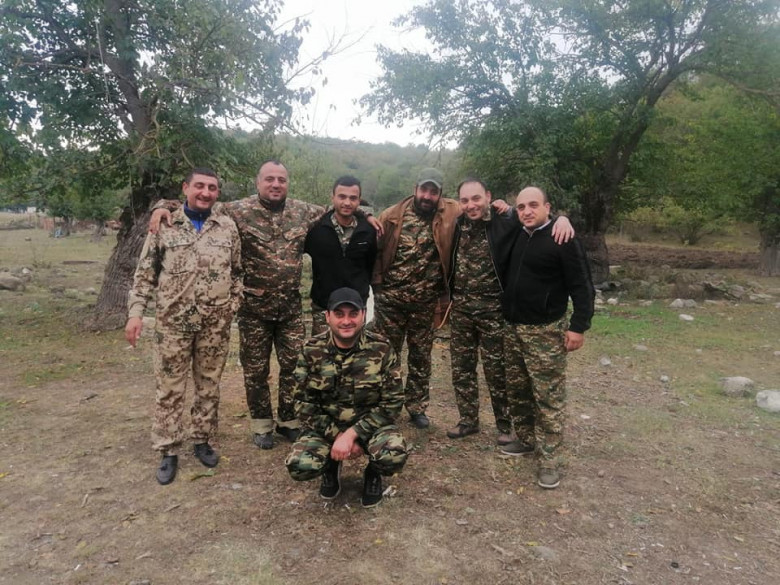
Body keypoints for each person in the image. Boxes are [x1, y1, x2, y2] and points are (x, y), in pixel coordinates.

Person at [150, 161, 379, 450]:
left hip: (290, 308)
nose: (276, 184)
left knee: (295, 366)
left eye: (281, 180)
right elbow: (200, 203)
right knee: (255, 370)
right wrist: (161, 207)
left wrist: (367, 214)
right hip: (254, 309)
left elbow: (341, 207)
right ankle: (261, 424)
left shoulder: (303, 211)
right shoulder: (237, 210)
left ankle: (288, 420)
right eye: (269, 179)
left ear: (287, 183)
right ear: (258, 183)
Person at [125, 168, 242, 485]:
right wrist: (135, 314)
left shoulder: (226, 227)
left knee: (208, 386)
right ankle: (169, 449)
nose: (205, 192)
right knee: (170, 389)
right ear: (185, 188)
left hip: (214, 325)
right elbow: (144, 276)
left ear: (218, 193)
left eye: (212, 188)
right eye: (199, 186)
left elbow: (238, 273)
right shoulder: (164, 224)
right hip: (173, 325)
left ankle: (202, 439)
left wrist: (231, 306)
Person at [447, 179, 574, 445]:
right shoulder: (457, 225)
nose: (471, 205)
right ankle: (467, 420)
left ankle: (505, 425)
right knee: (461, 369)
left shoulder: (506, 221)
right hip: (460, 309)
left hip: (493, 310)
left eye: (476, 198)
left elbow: (537, 218)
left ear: (488, 196)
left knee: (498, 371)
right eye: (465, 200)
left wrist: (562, 219)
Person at [499, 186, 594, 490]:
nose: (527, 211)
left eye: (533, 205)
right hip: (513, 329)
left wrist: (578, 326)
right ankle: (526, 440)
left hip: (546, 331)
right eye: (521, 207)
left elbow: (582, 285)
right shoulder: (518, 233)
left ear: (547, 207)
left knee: (548, 397)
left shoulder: (562, 237)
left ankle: (550, 459)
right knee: (518, 391)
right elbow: (497, 213)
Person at [285, 287, 408, 508]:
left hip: (371, 427)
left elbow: (393, 402)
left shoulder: (381, 348)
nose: (346, 321)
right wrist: (338, 436)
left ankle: (373, 472)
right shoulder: (311, 350)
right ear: (327, 317)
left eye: (353, 314)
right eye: (339, 314)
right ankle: (330, 466)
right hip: (327, 428)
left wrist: (353, 434)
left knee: (393, 455)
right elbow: (303, 404)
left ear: (363, 314)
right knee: (300, 465)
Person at [304, 175, 377, 336]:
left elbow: (371, 266)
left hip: (356, 309)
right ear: (333, 197)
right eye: (342, 197)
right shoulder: (316, 229)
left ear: (359, 201)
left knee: (356, 351)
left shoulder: (368, 231)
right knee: (322, 350)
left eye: (353, 198)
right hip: (324, 307)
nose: (347, 202)